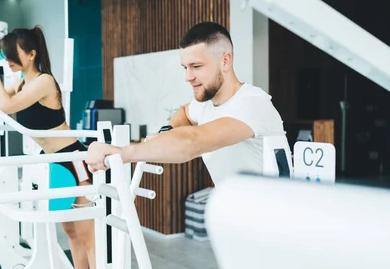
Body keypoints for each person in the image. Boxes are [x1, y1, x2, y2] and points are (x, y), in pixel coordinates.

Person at [0, 27, 94, 269]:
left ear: (31, 54)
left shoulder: (44, 82)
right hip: (52, 163)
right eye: (4, 55)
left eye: (11, 55)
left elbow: (5, 105)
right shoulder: (22, 84)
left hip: (72, 158)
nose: (6, 59)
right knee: (70, 231)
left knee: (87, 234)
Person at [86, 22, 285, 184]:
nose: (188, 77)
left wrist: (123, 153)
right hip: (234, 216)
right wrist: (168, 132)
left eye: (196, 66)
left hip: (273, 220)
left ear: (225, 61)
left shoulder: (252, 104)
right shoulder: (205, 102)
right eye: (185, 67)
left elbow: (194, 140)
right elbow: (184, 113)